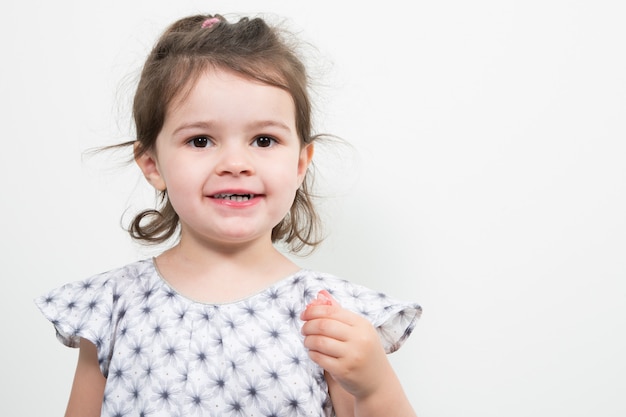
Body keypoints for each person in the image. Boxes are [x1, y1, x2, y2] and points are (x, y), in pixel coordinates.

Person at [35, 13, 422, 417]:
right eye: (200, 140)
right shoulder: (113, 306)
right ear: (151, 164)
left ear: (300, 162)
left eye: (264, 139)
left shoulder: (330, 313)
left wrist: (376, 387)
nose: (235, 162)